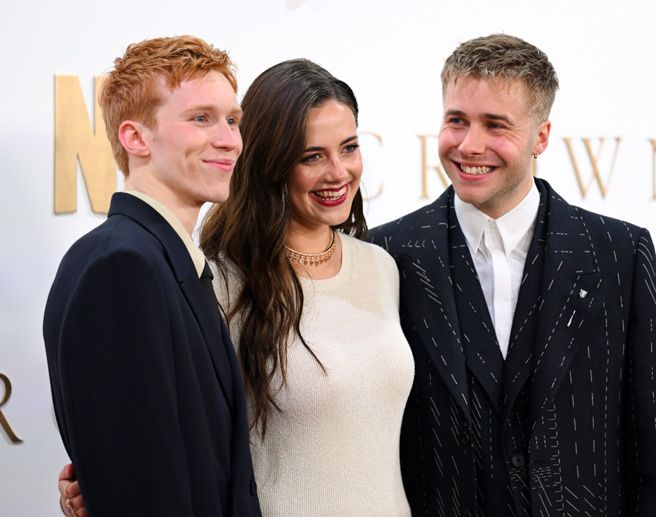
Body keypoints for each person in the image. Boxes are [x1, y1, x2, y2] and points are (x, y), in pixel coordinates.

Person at [59, 59, 414, 517]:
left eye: (348, 148)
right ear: (269, 161)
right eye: (311, 156)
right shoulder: (219, 285)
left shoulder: (382, 268)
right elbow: (170, 437)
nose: (338, 172)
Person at [370, 34, 656, 516]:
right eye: (457, 120)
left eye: (495, 125)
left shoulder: (619, 254)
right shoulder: (386, 255)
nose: (469, 144)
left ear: (541, 136)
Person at [45, 36, 260, 517]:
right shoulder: (122, 268)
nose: (229, 139)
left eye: (232, 119)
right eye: (201, 118)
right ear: (135, 138)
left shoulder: (164, 261)